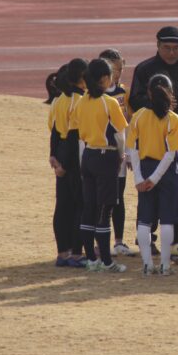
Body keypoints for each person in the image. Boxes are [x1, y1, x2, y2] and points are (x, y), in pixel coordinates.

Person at [129, 26, 178, 249]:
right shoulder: (145, 69)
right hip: (151, 142)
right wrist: (160, 105)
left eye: (176, 48)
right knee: (149, 189)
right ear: (157, 46)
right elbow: (135, 99)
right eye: (167, 48)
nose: (172, 53)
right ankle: (147, 237)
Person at [69, 58, 128, 273]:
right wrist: (122, 155)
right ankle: (106, 261)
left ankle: (92, 259)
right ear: (104, 78)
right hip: (106, 157)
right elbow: (120, 134)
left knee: (89, 208)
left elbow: (77, 131)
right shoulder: (109, 102)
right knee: (105, 210)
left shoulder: (81, 101)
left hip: (88, 155)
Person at [127, 74, 178, 276]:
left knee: (144, 219)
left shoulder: (138, 116)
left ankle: (146, 264)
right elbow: (171, 154)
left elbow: (132, 150)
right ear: (170, 93)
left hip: (144, 168)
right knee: (167, 220)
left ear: (149, 93)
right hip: (167, 173)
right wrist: (156, 178)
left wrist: (140, 179)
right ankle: (165, 265)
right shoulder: (174, 119)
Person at [47, 59, 88, 267]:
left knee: (62, 205)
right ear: (82, 78)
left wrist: (53, 155)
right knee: (79, 205)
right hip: (74, 155)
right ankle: (76, 252)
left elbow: (55, 130)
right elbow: (73, 136)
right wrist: (65, 165)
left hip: (62, 150)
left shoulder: (59, 99)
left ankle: (62, 252)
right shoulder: (79, 100)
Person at [99, 48, 132, 257]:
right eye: (115, 69)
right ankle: (99, 239)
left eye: (121, 68)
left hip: (120, 152)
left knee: (118, 196)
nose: (119, 73)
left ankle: (119, 241)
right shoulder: (95, 95)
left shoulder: (123, 92)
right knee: (100, 198)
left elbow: (129, 123)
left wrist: (129, 151)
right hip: (101, 151)